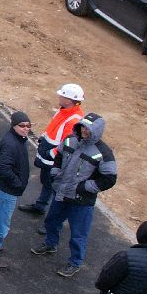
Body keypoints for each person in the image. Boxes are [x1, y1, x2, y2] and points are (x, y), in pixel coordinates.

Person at [33, 113, 117, 277]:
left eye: (88, 129)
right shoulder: (70, 139)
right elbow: (59, 156)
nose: (84, 131)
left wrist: (85, 187)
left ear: (96, 131)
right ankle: (50, 244)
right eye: (83, 126)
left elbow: (109, 178)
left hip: (81, 200)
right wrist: (56, 171)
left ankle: (75, 262)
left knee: (78, 234)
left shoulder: (103, 153)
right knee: (51, 221)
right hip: (62, 193)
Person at [21, 83, 86, 217]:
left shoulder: (74, 120)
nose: (59, 96)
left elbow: (67, 144)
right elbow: (54, 126)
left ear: (69, 100)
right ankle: (40, 206)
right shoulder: (63, 110)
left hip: (55, 158)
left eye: (62, 95)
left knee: (53, 186)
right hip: (49, 153)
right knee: (46, 182)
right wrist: (44, 137)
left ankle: (51, 217)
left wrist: (52, 154)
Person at [0, 111, 33, 269]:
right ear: (14, 126)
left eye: (28, 126)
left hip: (1, 188)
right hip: (7, 190)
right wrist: (17, 183)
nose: (26, 129)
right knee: (1, 225)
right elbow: (4, 168)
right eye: (22, 126)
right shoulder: (12, 144)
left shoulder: (16, 139)